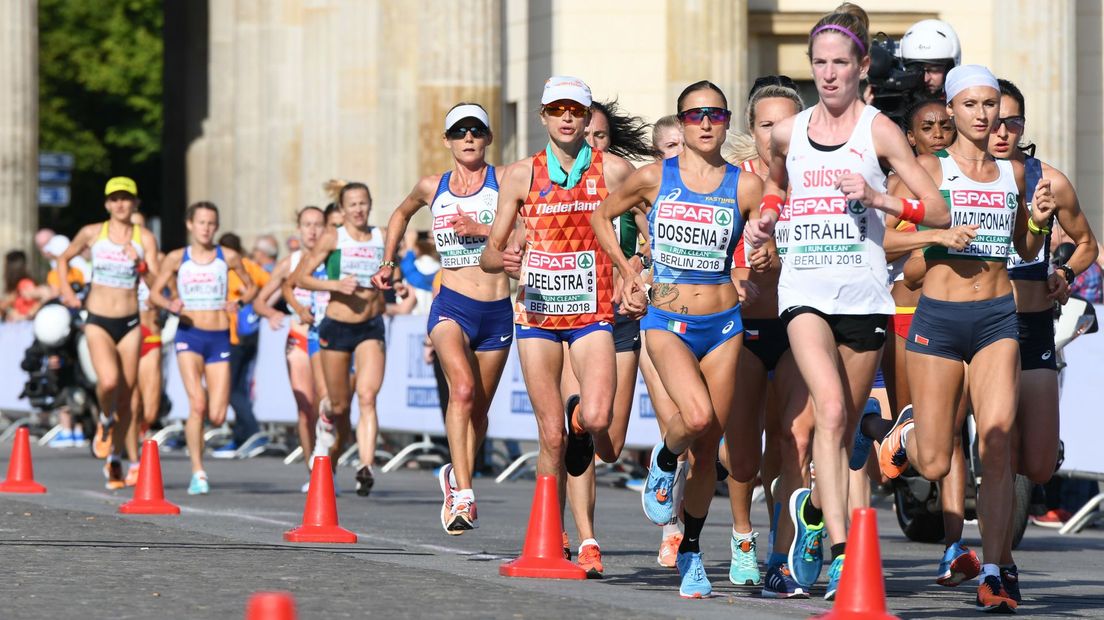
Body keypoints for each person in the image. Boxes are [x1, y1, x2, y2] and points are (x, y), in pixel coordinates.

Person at [744, 3, 950, 600]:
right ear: (811, 68)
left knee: (844, 432)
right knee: (829, 413)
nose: (829, 74)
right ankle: (839, 551)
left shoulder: (879, 131)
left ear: (861, 68)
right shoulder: (789, 130)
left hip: (863, 295)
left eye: (840, 63)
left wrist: (880, 200)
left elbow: (936, 211)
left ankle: (840, 486)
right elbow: (778, 187)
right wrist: (766, 222)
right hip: (804, 290)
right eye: (819, 64)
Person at [875, 65, 1055, 614]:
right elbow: (881, 240)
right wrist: (936, 236)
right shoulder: (928, 168)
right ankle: (901, 439)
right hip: (940, 318)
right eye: (971, 105)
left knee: (995, 444)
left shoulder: (1013, 174)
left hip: (999, 319)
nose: (983, 115)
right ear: (951, 110)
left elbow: (1023, 247)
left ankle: (997, 571)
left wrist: (1042, 224)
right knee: (932, 461)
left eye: (990, 105)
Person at [595, 80, 761, 598]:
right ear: (681, 123)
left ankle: (690, 549)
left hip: (725, 323)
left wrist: (759, 262)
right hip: (666, 320)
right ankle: (665, 461)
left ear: (727, 120)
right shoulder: (652, 177)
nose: (706, 123)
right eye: (695, 115)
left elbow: (765, 245)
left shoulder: (745, 186)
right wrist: (626, 273)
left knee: (710, 450)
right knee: (695, 418)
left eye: (715, 114)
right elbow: (602, 216)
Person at [481, 75, 632, 572]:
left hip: (593, 314)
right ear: (543, 117)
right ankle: (560, 536)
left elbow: (655, 218)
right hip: (538, 315)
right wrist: (502, 257)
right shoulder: (522, 175)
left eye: (576, 110)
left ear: (588, 119)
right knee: (550, 435)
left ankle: (578, 422)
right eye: (557, 109)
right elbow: (488, 252)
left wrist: (643, 265)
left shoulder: (613, 169)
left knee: (597, 417)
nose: (567, 117)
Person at [373, 102, 511, 534]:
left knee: (481, 413)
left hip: (497, 309)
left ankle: (454, 473)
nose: (468, 138)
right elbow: (399, 214)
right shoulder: (433, 187)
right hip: (451, 303)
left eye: (476, 130)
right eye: (459, 132)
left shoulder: (506, 180)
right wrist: (388, 260)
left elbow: (528, 232)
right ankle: (465, 494)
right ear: (447, 141)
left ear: (488, 138)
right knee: (463, 390)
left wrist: (484, 231)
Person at [993, 78, 1098, 601]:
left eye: (1013, 121)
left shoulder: (1048, 181)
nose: (1002, 130)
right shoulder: (957, 176)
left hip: (1032, 324)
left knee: (1034, 465)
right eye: (994, 119)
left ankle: (1036, 444)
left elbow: (1086, 244)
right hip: (978, 326)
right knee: (993, 442)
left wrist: (1062, 273)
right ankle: (999, 566)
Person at [721, 80, 815, 597]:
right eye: (766, 124)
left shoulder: (812, 184)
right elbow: (704, 259)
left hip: (798, 324)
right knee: (743, 453)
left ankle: (782, 555)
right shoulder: (734, 184)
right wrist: (732, 278)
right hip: (742, 328)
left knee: (793, 438)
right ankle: (741, 536)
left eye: (786, 123)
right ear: (753, 132)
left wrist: (785, 259)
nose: (777, 133)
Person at [557, 97, 654, 576]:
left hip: (620, 319)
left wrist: (644, 271)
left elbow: (663, 236)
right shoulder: (552, 187)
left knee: (609, 441)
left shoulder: (629, 188)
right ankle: (584, 537)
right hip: (572, 320)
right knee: (563, 428)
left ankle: (584, 423)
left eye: (599, 137)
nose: (589, 144)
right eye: (584, 136)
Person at [57, 177, 160, 489]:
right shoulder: (93, 233)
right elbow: (63, 258)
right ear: (106, 204)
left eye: (126, 199)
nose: (120, 204)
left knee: (129, 396)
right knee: (109, 381)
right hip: (99, 319)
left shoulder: (144, 237)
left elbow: (157, 284)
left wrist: (141, 266)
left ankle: (114, 458)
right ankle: (104, 421)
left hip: (130, 321)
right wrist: (66, 291)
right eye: (114, 199)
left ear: (135, 203)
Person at [150, 201, 256, 494]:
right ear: (190, 225)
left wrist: (240, 302)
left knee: (218, 414)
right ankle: (198, 471)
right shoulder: (176, 258)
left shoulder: (228, 256)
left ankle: (201, 419)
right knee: (197, 404)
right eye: (201, 223)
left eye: (211, 223)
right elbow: (156, 293)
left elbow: (251, 287)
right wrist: (171, 304)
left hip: (219, 336)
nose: (206, 229)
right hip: (189, 334)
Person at [292, 182, 387, 497]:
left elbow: (392, 271)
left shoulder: (382, 236)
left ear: (370, 205)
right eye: (353, 205)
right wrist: (334, 285)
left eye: (363, 203)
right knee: (338, 405)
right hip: (337, 326)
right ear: (343, 210)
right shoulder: (333, 238)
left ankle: (365, 466)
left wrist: (396, 283)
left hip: (370, 327)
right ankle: (326, 417)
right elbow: (301, 278)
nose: (359, 209)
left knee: (368, 396)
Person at [254, 206, 329, 491]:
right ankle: (313, 470)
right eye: (307, 224)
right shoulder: (290, 262)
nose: (312, 230)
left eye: (318, 224)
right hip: (298, 339)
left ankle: (327, 465)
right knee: (305, 408)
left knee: (329, 407)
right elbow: (261, 300)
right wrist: (272, 314)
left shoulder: (334, 258)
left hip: (327, 341)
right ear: (298, 230)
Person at [212, 232, 271, 457]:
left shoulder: (227, 268)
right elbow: (270, 282)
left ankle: (253, 433)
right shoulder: (251, 266)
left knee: (229, 389)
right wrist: (260, 304)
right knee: (239, 387)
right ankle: (240, 437)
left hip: (232, 335)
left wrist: (243, 301)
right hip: (250, 334)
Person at [129, 210, 165, 456]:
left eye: (141, 229)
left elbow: (166, 289)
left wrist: (141, 266)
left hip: (150, 334)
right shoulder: (109, 255)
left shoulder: (159, 259)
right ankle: (131, 456)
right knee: (129, 401)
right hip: (126, 333)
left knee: (150, 410)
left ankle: (140, 431)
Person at [898, 19, 962, 97]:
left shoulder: (963, 103)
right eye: (916, 69)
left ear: (950, 69)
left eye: (934, 70)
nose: (925, 78)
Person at [2, 251, 40, 322]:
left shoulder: (25, 284)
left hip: (26, 325)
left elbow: (36, 306)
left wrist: (21, 316)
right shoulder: (17, 286)